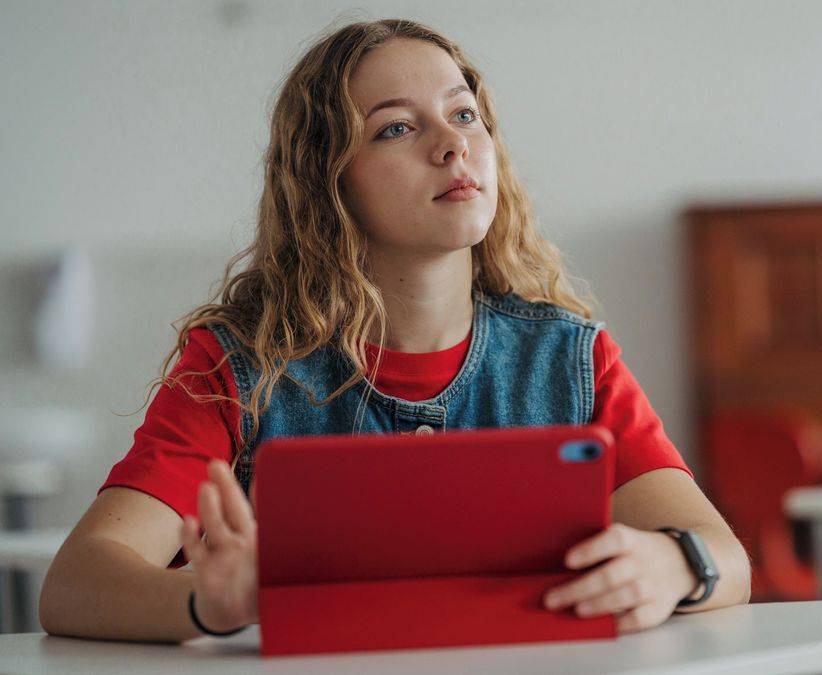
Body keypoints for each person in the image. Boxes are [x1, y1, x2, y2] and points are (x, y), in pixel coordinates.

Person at [38, 19, 750, 642]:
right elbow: (73, 584)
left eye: (465, 115)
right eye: (397, 128)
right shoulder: (238, 367)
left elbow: (728, 558)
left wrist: (674, 565)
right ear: (329, 183)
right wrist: (209, 601)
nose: (452, 146)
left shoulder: (572, 359)